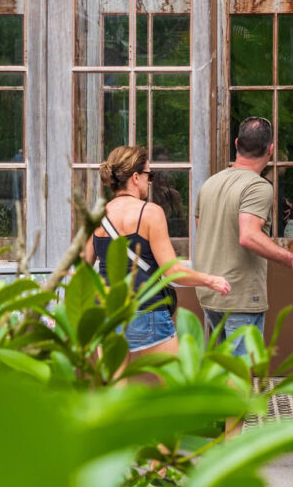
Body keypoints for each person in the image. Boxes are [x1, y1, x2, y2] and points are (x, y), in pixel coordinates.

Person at [85, 145, 231, 357]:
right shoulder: (150, 213)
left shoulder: (97, 215)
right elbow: (172, 272)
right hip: (146, 311)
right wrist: (211, 280)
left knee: (116, 388)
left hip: (107, 313)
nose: (151, 180)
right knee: (173, 383)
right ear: (135, 177)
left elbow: (82, 268)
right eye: (149, 174)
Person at [194, 116, 293, 356]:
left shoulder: (210, 183)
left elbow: (203, 228)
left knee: (224, 364)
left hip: (211, 291)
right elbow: (248, 236)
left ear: (236, 143)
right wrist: (292, 260)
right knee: (239, 369)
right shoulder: (258, 186)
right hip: (239, 294)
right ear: (270, 149)